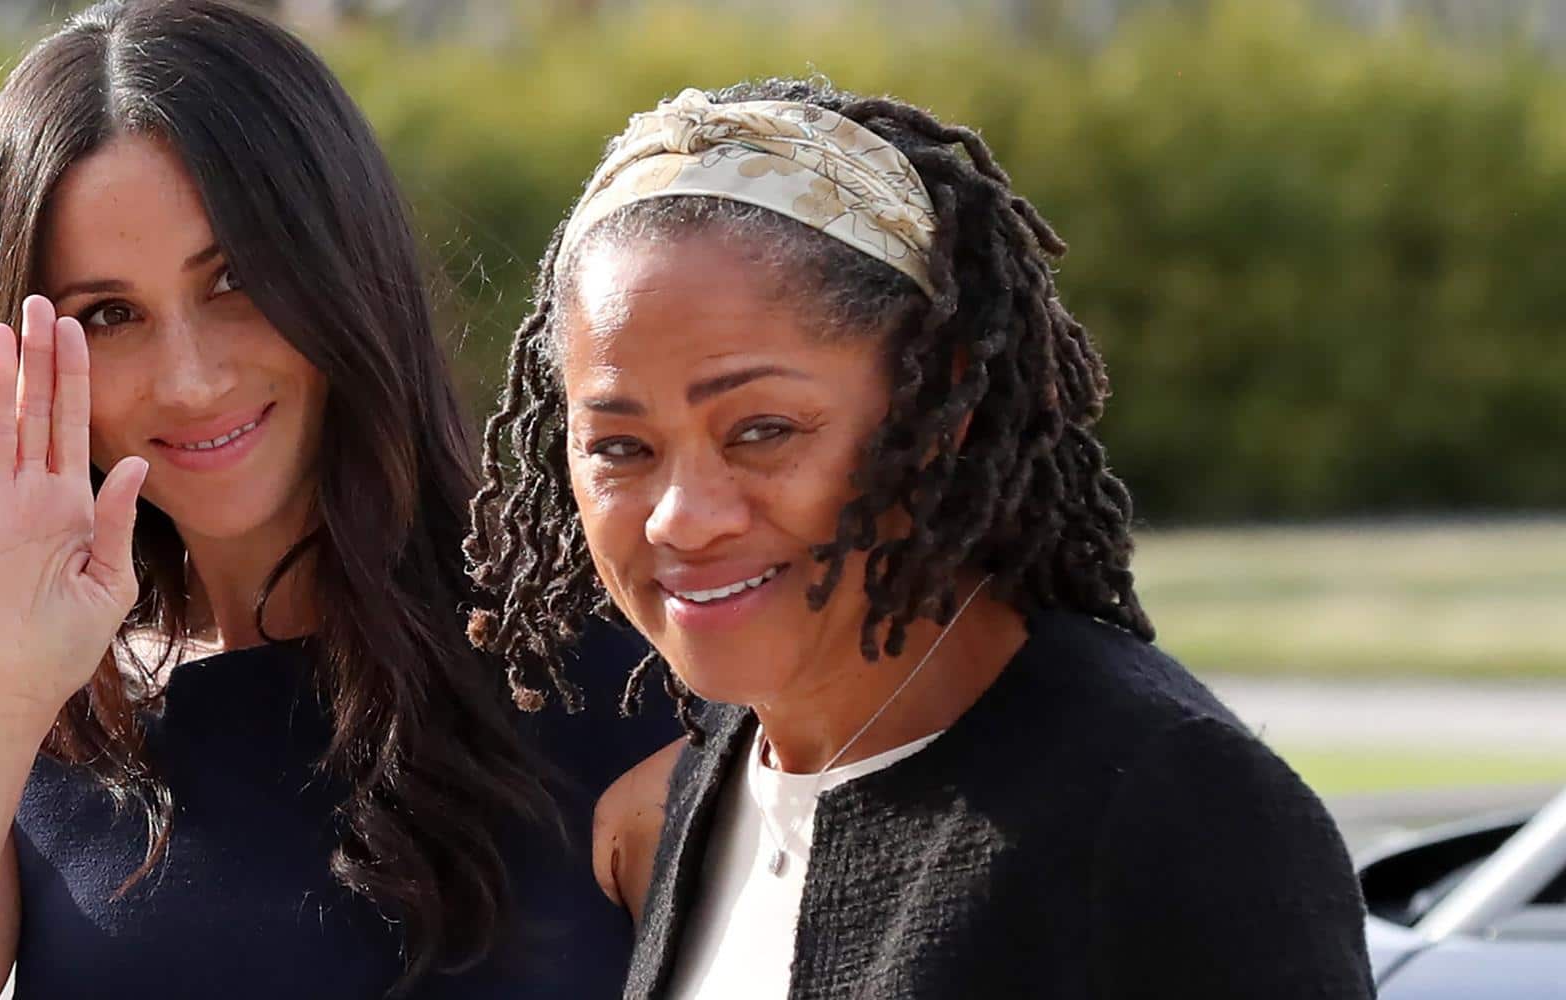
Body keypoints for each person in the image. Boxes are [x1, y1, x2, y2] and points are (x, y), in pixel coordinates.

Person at [0, 2, 674, 997]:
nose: (189, 380)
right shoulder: (11, 682)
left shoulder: (612, 673)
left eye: (234, 281)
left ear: (343, 266)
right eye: (110, 314)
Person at [465, 80, 1377, 999]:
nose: (682, 517)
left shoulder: (1164, 806)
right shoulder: (695, 795)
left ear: (937, 402)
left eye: (762, 431)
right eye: (620, 447)